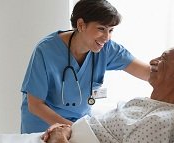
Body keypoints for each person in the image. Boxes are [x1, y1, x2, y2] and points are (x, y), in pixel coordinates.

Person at [20, 0, 150, 134]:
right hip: (43, 126)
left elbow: (147, 73)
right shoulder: (46, 51)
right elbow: (35, 105)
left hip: (79, 124)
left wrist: (168, 66)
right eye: (101, 29)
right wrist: (75, 129)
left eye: (111, 30)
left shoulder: (106, 49)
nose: (107, 37)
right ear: (81, 25)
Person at [41, 45, 174, 143]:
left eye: (162, 58)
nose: (152, 61)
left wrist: (60, 136)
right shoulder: (144, 103)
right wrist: (64, 129)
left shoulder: (160, 122)